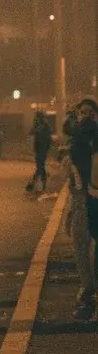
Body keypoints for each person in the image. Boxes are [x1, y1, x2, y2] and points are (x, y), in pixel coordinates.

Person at [65, 98, 98, 321]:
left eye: (90, 112)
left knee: (82, 242)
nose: (85, 116)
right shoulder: (78, 137)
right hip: (81, 195)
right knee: (81, 242)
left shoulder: (92, 135)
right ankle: (88, 290)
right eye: (82, 112)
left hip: (89, 194)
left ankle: (88, 292)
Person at [29, 112, 53, 193]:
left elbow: (48, 137)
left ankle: (36, 183)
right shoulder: (37, 126)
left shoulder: (46, 126)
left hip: (43, 148)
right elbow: (31, 133)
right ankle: (37, 183)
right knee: (40, 166)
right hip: (38, 148)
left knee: (40, 166)